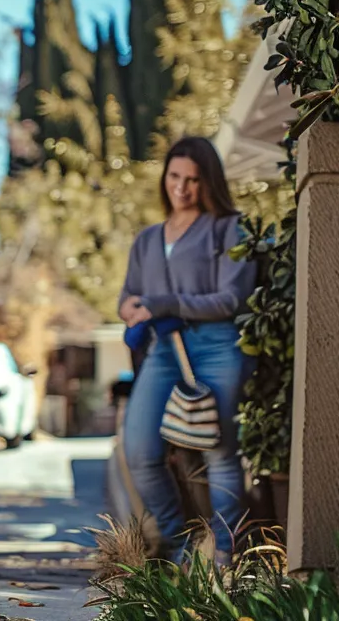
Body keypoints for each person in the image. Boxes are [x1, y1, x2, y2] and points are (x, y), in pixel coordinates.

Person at [116, 136, 255, 565]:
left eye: (193, 179)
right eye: (175, 176)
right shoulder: (147, 239)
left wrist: (161, 304)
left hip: (217, 348)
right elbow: (128, 296)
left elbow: (232, 298)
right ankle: (181, 549)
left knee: (219, 450)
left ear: (208, 181)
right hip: (163, 351)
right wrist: (130, 309)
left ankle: (224, 556)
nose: (182, 187)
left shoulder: (230, 228)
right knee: (139, 451)